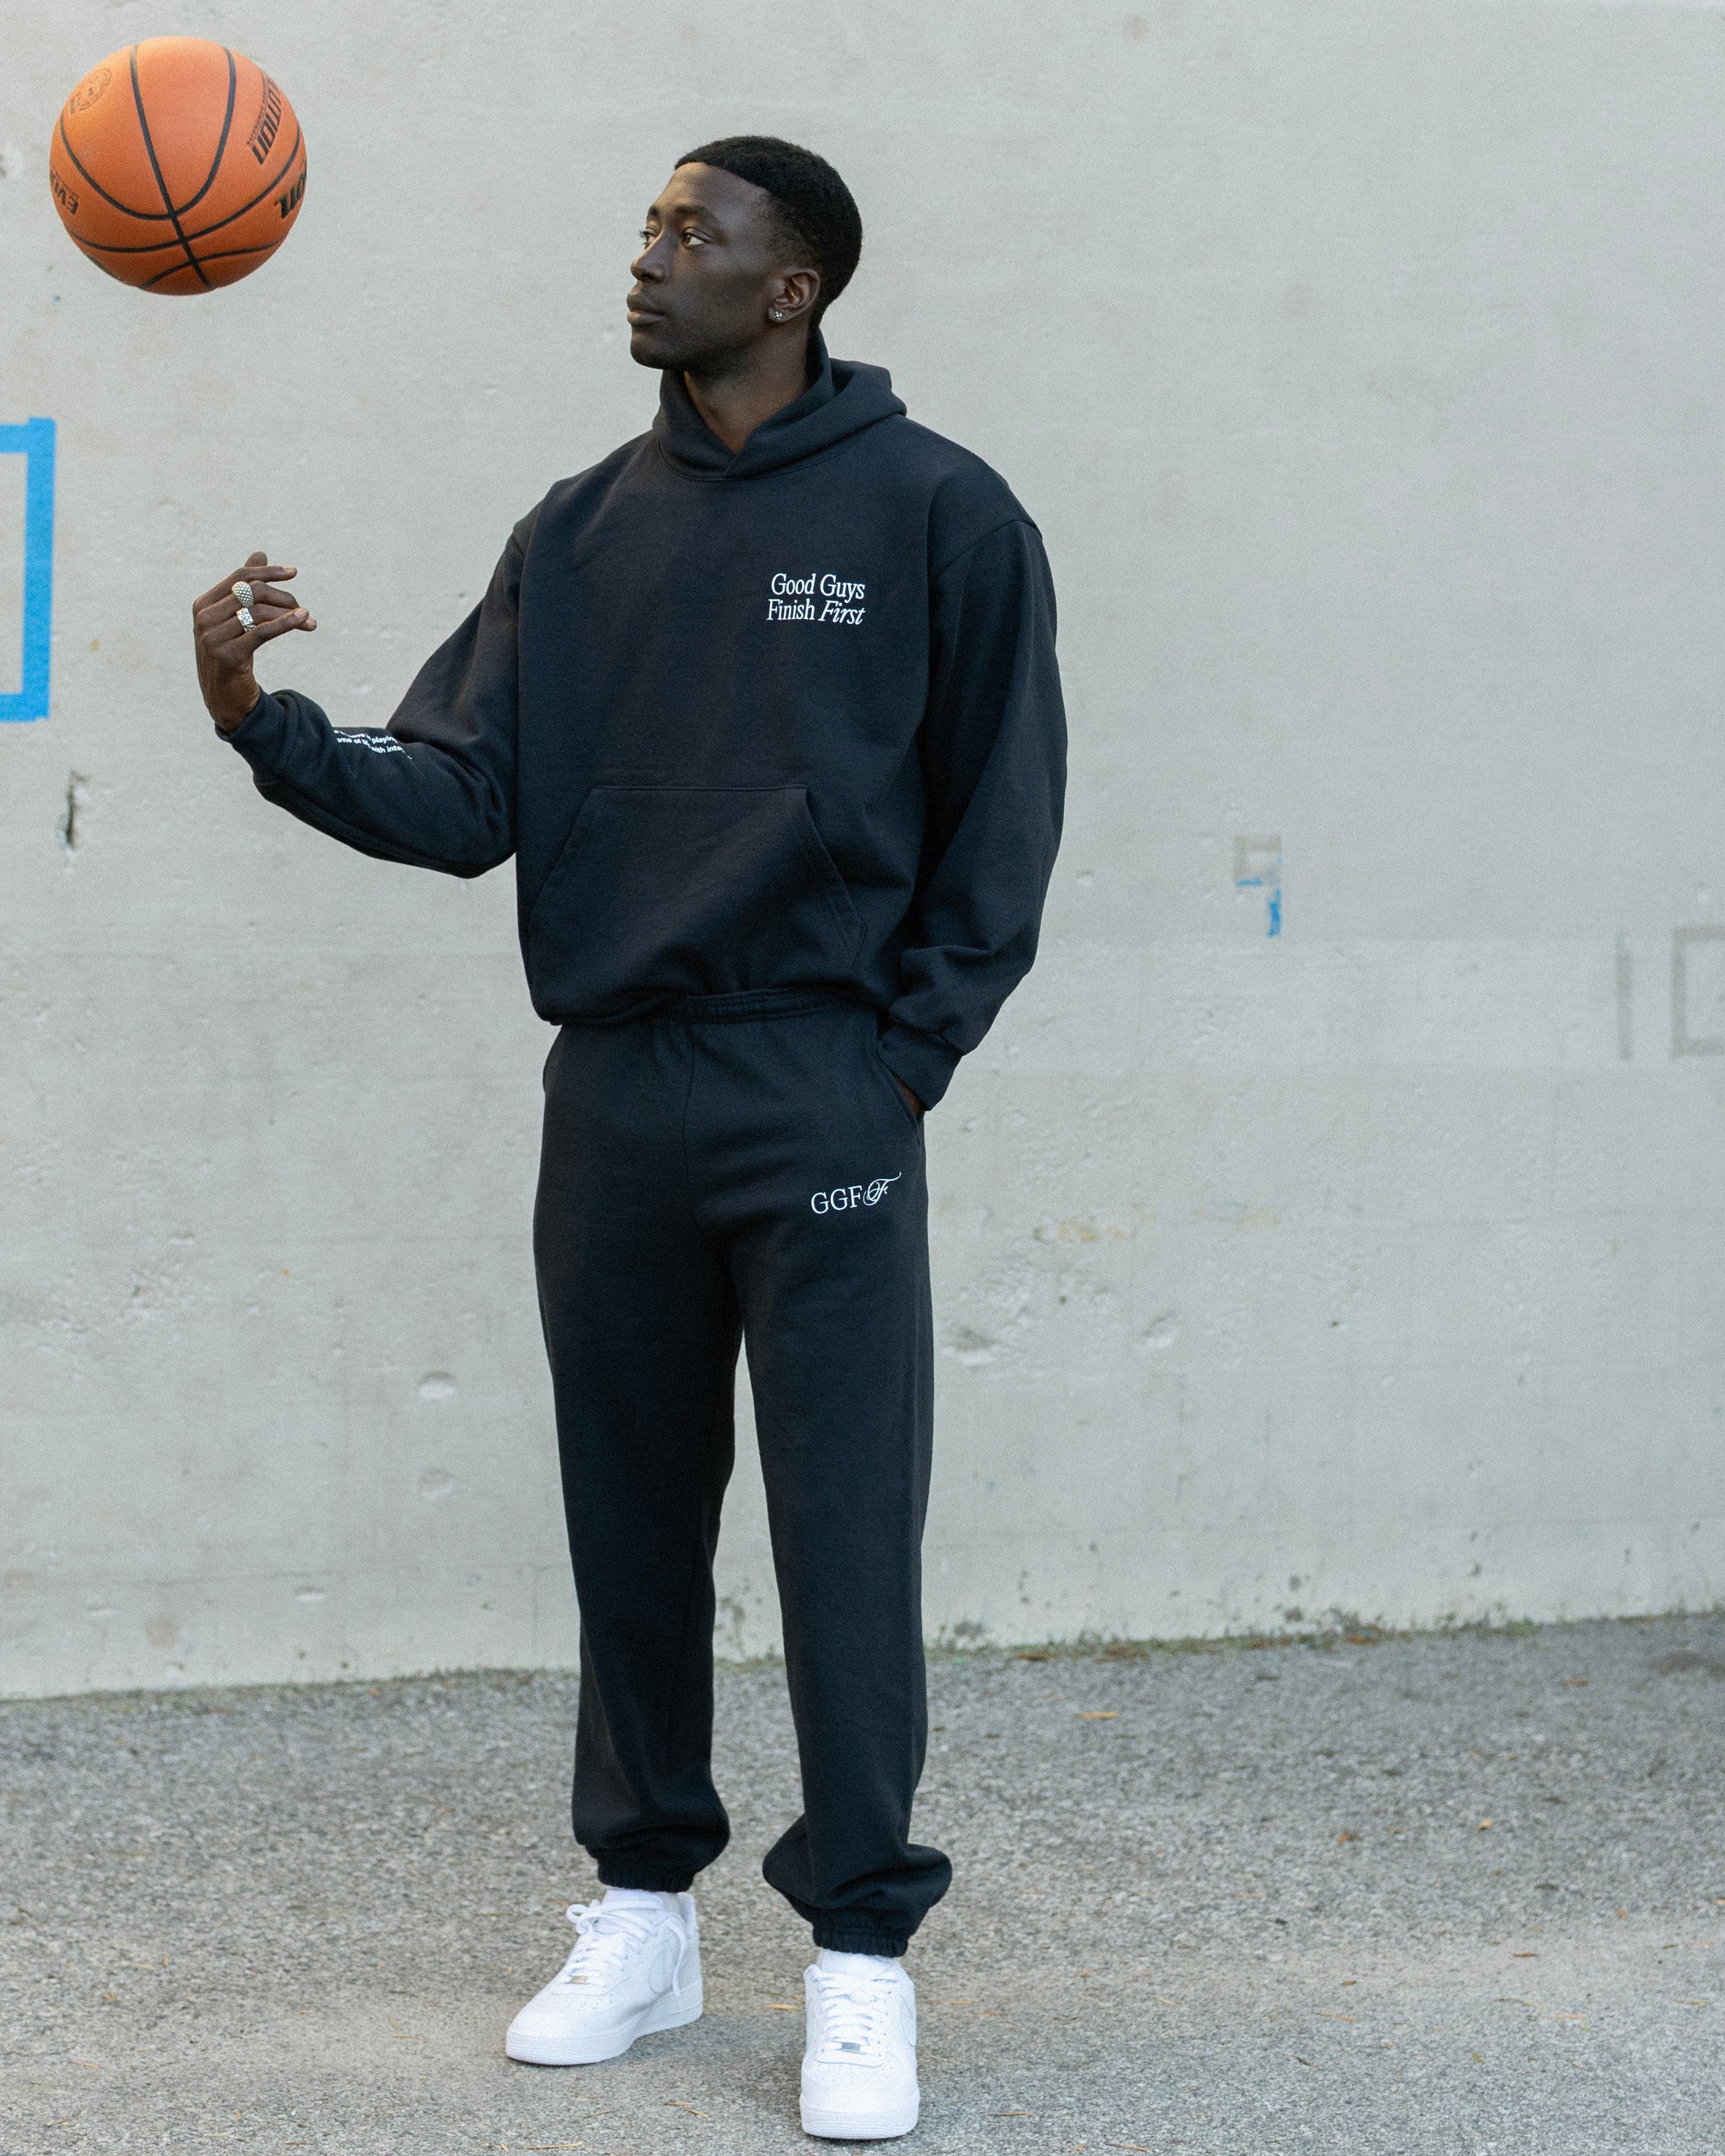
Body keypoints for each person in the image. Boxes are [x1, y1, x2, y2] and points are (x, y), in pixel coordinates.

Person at [190, 135, 1064, 2142]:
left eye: (696, 234)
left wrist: (901, 1060)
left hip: (822, 1089)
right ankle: (644, 1912)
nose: (648, 259)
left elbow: (1002, 811)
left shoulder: (942, 512)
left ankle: (858, 1958)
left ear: (797, 289)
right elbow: (464, 795)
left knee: (845, 1537)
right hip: (616, 1098)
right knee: (630, 1527)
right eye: (648, 226)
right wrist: (266, 724)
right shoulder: (575, 534)